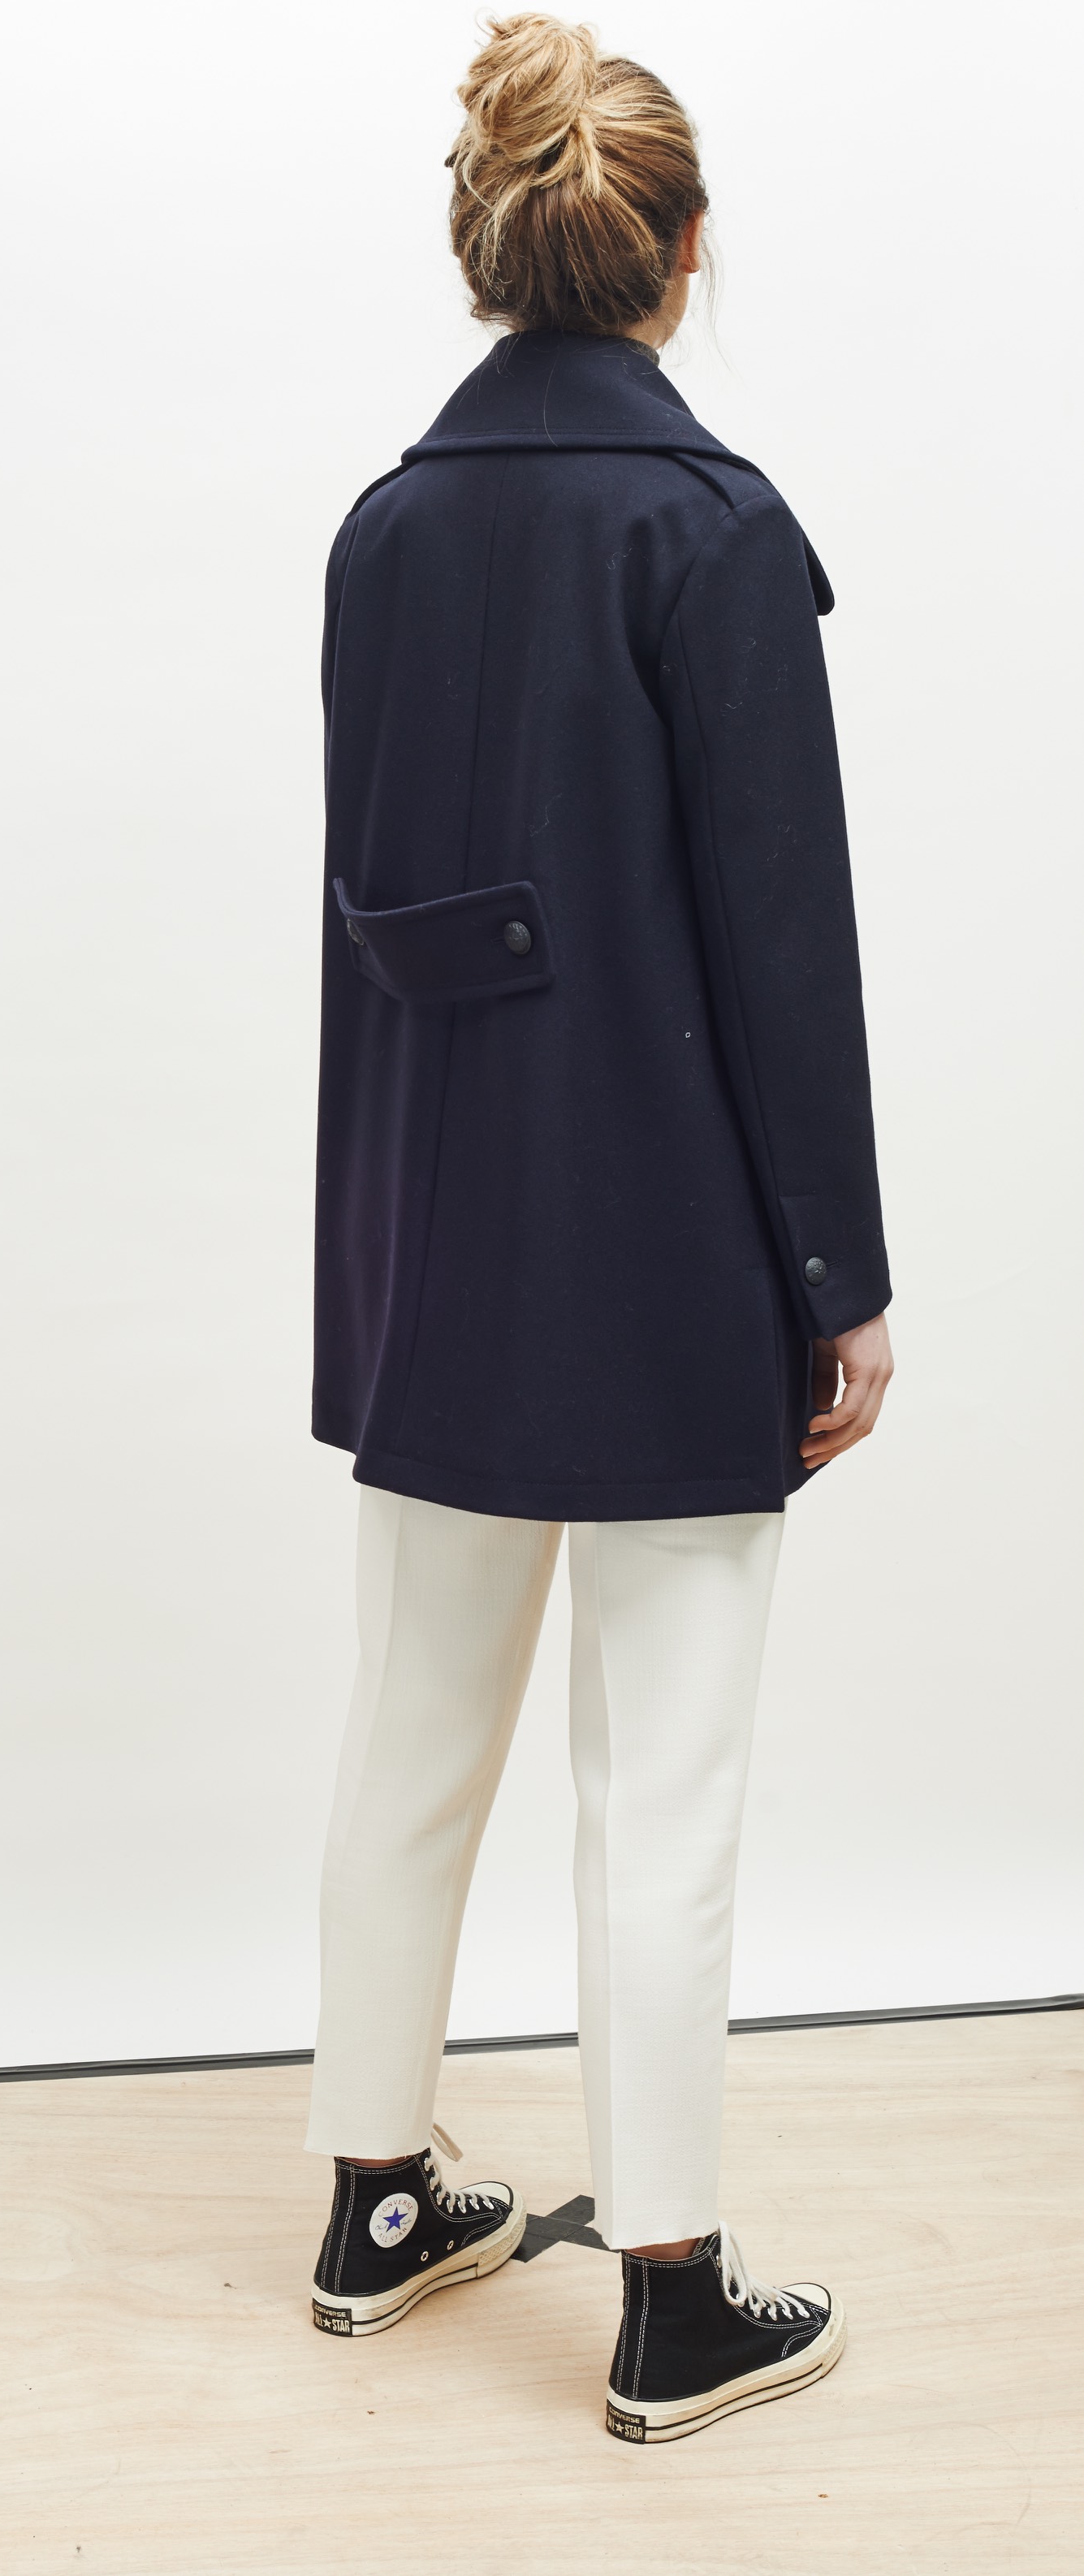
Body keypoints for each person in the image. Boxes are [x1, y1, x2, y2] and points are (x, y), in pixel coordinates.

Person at [304, 14, 893, 2444]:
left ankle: (374, 2203)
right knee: (660, 1788)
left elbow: (386, 920)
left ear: (491, 250)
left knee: (410, 1738)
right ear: (680, 250)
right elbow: (782, 945)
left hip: (434, 1245)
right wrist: (839, 1284)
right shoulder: (707, 529)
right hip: (661, 1256)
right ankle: (667, 2298)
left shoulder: (385, 528)